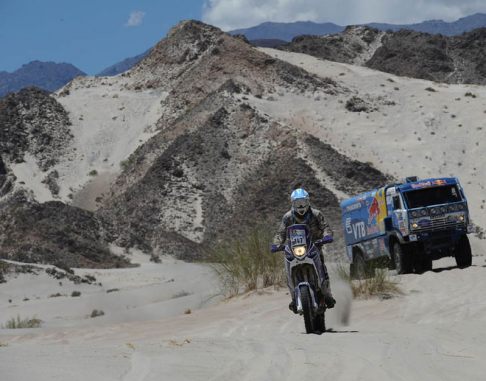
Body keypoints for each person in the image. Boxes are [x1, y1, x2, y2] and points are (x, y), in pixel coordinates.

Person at [272, 188, 336, 312]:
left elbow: (326, 227)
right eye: (297, 203)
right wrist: (276, 244)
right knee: (287, 272)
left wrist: (327, 236)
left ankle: (327, 295)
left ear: (308, 201)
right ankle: (293, 298)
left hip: (314, 246)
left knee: (322, 269)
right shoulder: (287, 217)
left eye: (303, 202)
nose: (300, 205)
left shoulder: (316, 214)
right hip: (294, 249)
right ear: (292, 203)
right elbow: (280, 233)